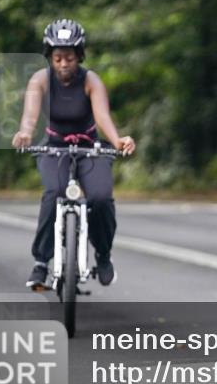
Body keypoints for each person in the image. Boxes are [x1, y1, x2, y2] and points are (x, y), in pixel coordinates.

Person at [11, 19, 136, 290]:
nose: (64, 64)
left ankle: (103, 256)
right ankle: (41, 263)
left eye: (69, 57)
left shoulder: (91, 80)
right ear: (50, 58)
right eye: (58, 58)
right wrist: (24, 134)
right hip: (54, 148)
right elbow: (30, 117)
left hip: (89, 148)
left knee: (101, 198)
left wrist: (117, 140)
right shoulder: (40, 80)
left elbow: (102, 116)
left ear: (79, 56)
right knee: (53, 193)